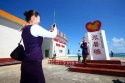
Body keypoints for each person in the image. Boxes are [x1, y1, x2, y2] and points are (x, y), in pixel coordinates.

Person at [20, 10, 57, 83]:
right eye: (39, 19)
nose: (39, 22)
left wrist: (50, 30)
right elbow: (53, 35)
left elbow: (36, 35)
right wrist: (55, 29)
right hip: (35, 61)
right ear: (33, 17)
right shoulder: (35, 27)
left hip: (25, 61)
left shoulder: (24, 29)